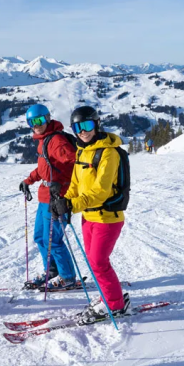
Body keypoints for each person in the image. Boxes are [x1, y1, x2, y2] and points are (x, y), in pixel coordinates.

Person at [51, 106, 131, 324]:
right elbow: (76, 184)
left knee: (99, 262)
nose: (83, 131)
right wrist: (63, 200)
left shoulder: (109, 153)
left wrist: (71, 205)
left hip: (107, 217)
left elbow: (101, 191)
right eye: (78, 127)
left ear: (96, 124)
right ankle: (109, 295)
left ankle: (115, 305)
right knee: (94, 261)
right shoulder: (81, 151)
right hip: (89, 216)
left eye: (87, 125)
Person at [18, 104, 77, 290]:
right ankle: (51, 272)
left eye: (40, 120)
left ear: (47, 118)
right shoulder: (44, 140)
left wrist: (66, 186)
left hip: (58, 199)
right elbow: (44, 168)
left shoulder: (57, 141)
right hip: (45, 198)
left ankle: (67, 278)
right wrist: (29, 180)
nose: (36, 125)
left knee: (54, 240)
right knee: (40, 238)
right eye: (32, 122)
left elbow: (78, 161)